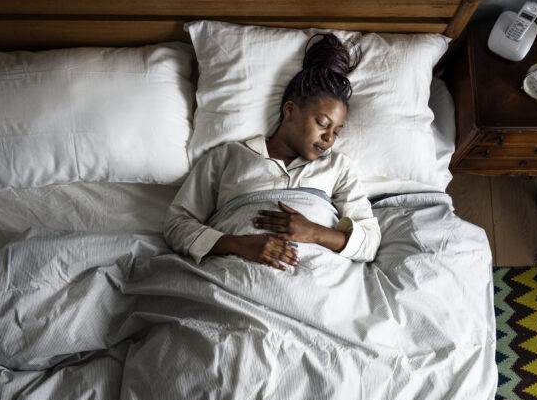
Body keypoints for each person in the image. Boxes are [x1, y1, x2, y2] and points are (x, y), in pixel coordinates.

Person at [163, 34, 381, 271]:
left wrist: (316, 233)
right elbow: (177, 225)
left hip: (317, 282)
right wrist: (239, 244)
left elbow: (369, 242)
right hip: (234, 274)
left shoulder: (339, 168)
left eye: (336, 131)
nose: (329, 138)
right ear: (290, 110)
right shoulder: (228, 157)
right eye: (322, 123)